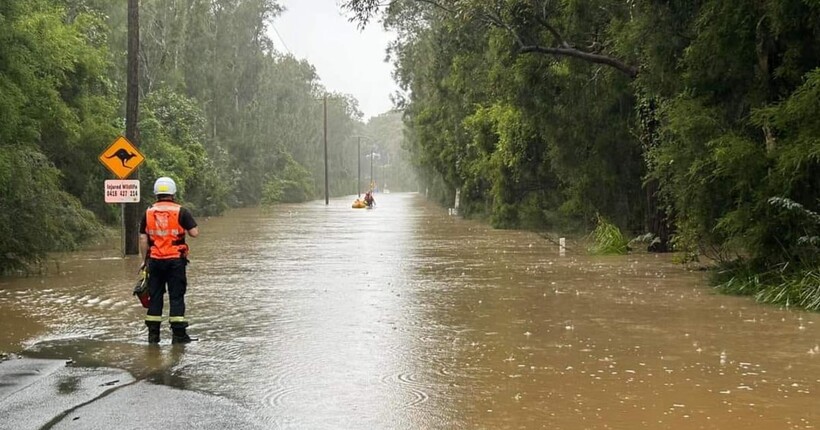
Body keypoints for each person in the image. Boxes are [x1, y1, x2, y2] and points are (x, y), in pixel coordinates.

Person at [139, 177, 199, 344]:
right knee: (176, 296)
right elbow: (194, 233)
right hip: (175, 261)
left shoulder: (148, 212)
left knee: (155, 296)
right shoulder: (181, 211)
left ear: (156, 193)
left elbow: (143, 238)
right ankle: (178, 336)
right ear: (173, 193)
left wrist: (144, 261)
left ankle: (153, 336)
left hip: (155, 261)